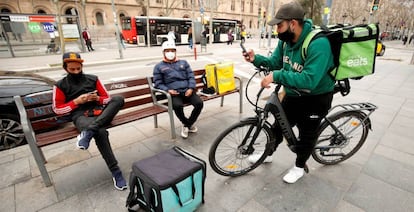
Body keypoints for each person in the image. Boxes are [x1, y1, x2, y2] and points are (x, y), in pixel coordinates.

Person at [242, 1, 335, 184]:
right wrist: (256, 59)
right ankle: (268, 153)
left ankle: (299, 167)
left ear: (293, 23)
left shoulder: (319, 44)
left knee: (306, 135)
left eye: (279, 25)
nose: (277, 30)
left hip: (316, 97)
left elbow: (309, 80)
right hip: (293, 94)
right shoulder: (285, 42)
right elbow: (276, 62)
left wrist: (276, 76)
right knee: (279, 126)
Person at [52, 52, 127, 190]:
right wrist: (76, 102)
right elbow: (57, 109)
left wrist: (97, 99)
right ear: (65, 68)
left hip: (99, 112)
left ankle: (88, 132)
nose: (76, 71)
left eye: (78, 69)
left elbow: (107, 98)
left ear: (81, 66)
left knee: (119, 99)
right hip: (81, 116)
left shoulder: (93, 79)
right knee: (101, 133)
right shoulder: (60, 85)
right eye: (72, 69)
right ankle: (116, 171)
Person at [153, 41, 204, 139]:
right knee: (177, 106)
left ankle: (187, 124)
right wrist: (168, 90)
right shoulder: (159, 66)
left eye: (172, 50)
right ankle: (187, 124)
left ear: (176, 51)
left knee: (199, 103)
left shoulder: (183, 63)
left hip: (187, 90)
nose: (170, 53)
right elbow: (158, 83)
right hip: (174, 93)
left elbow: (191, 77)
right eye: (167, 51)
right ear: (163, 52)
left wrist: (190, 88)